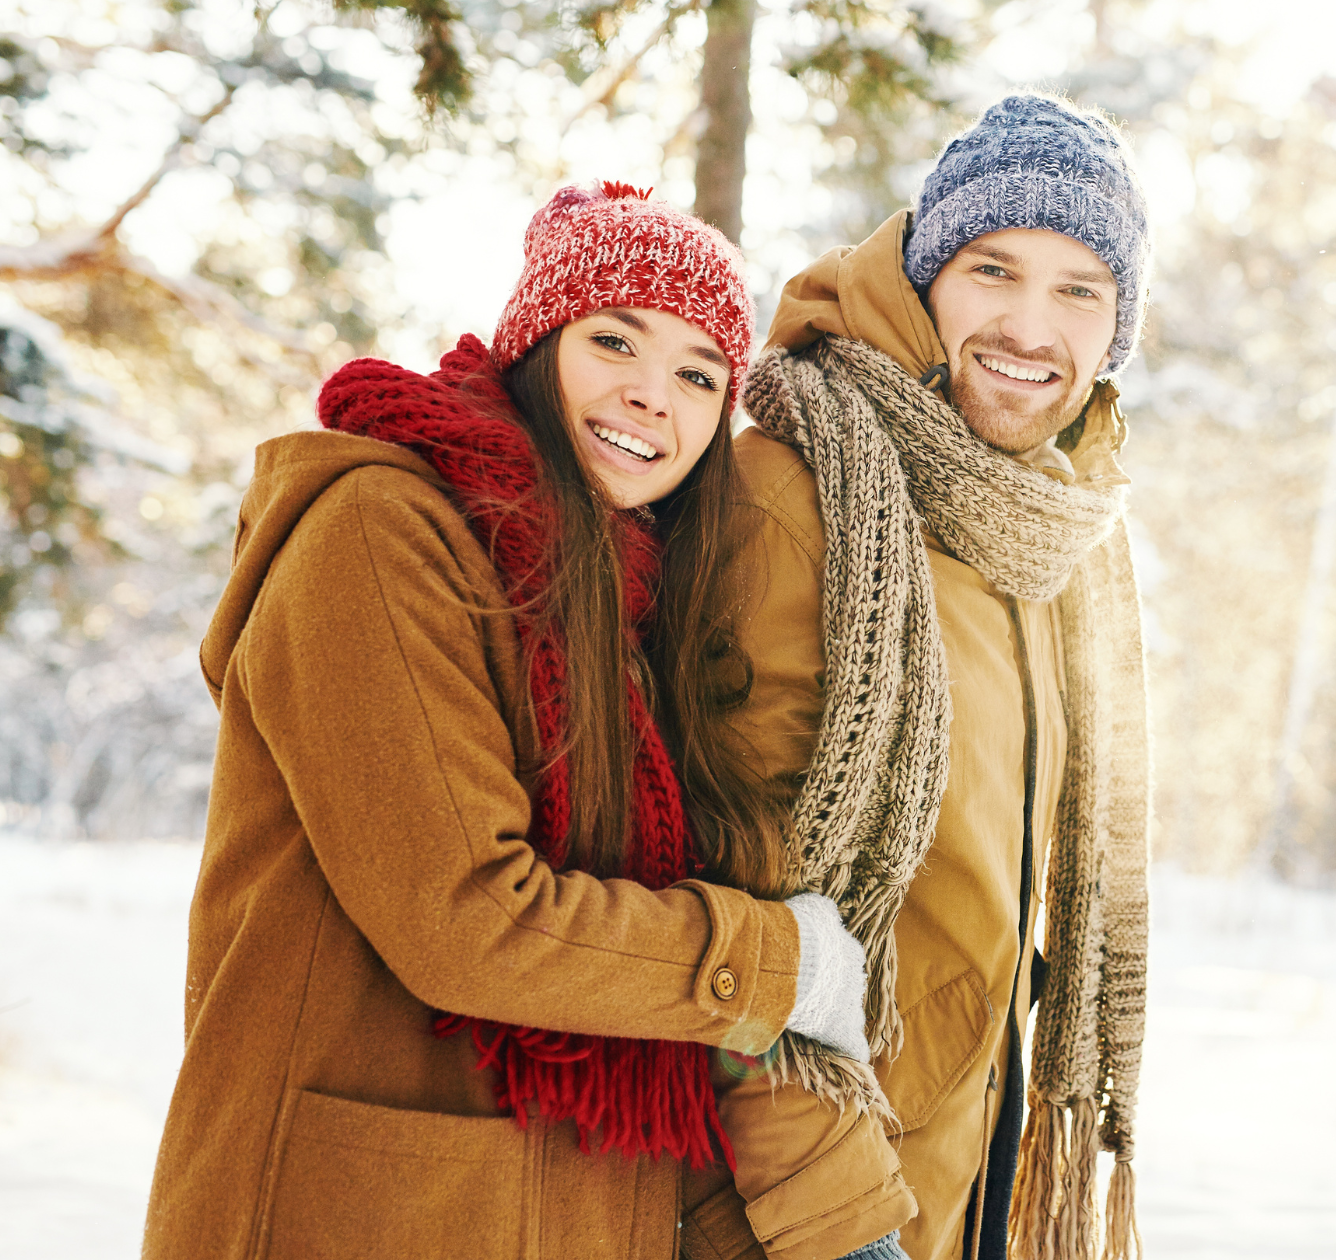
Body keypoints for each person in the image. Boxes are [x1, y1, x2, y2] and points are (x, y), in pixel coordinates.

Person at [141, 182, 872, 1260]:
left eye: (696, 374)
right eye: (613, 342)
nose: (649, 398)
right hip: (353, 1215)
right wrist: (776, 965)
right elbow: (470, 919)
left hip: (541, 1210)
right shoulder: (379, 534)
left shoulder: (628, 598)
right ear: (537, 346)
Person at [675, 95, 1155, 1260]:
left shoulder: (1049, 535)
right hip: (803, 1212)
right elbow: (736, 898)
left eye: (1078, 289)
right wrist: (841, 1230)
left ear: (1114, 330)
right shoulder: (799, 494)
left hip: (961, 1173)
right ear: (925, 274)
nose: (1030, 327)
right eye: (994, 268)